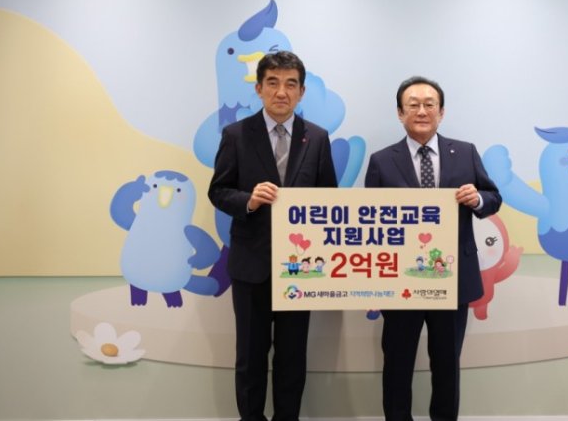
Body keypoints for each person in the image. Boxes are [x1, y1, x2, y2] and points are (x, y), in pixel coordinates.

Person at [208, 51, 338, 421]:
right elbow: (218, 191)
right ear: (259, 88)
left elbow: (328, 199)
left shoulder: (317, 137)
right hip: (252, 266)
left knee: (292, 357)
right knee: (250, 356)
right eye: (273, 83)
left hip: (301, 268)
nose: (282, 92)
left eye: (290, 84)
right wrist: (248, 200)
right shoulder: (236, 135)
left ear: (301, 91)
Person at [364, 76, 502, 421]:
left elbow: (493, 198)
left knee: (447, 363)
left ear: (441, 112)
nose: (422, 111)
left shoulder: (466, 152)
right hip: (400, 282)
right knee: (397, 364)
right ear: (400, 113)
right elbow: (369, 224)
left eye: (429, 104)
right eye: (413, 105)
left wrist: (478, 199)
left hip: (453, 280)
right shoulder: (382, 160)